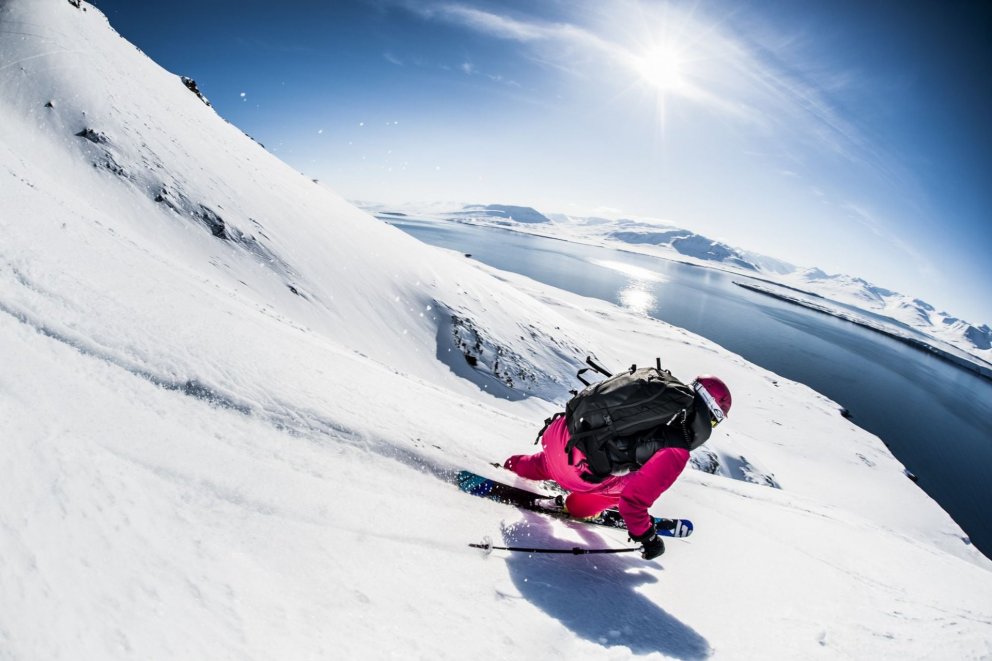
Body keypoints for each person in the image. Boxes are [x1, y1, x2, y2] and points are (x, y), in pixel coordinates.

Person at [503, 375, 732, 560]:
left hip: (559, 433)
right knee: (625, 485)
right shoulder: (677, 447)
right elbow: (632, 502)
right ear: (709, 415)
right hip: (576, 472)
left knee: (544, 463)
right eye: (714, 421)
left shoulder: (658, 394)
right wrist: (648, 539)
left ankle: (510, 464)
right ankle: (575, 504)